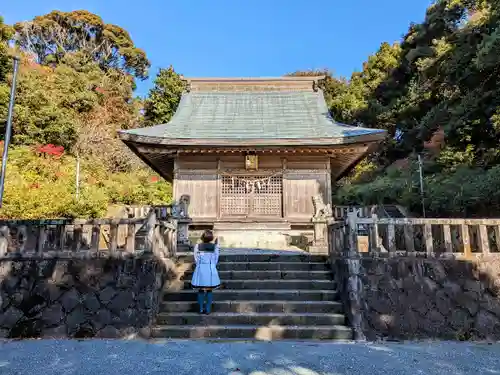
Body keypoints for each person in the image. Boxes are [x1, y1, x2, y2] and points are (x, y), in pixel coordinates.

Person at [191, 230, 220, 314]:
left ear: (202, 237)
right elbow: (216, 259)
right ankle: (208, 309)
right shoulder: (215, 247)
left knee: (200, 289)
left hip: (200, 268)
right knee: (209, 290)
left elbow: (196, 258)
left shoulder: (197, 246)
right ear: (211, 238)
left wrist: (200, 264)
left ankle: (200, 308)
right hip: (210, 268)